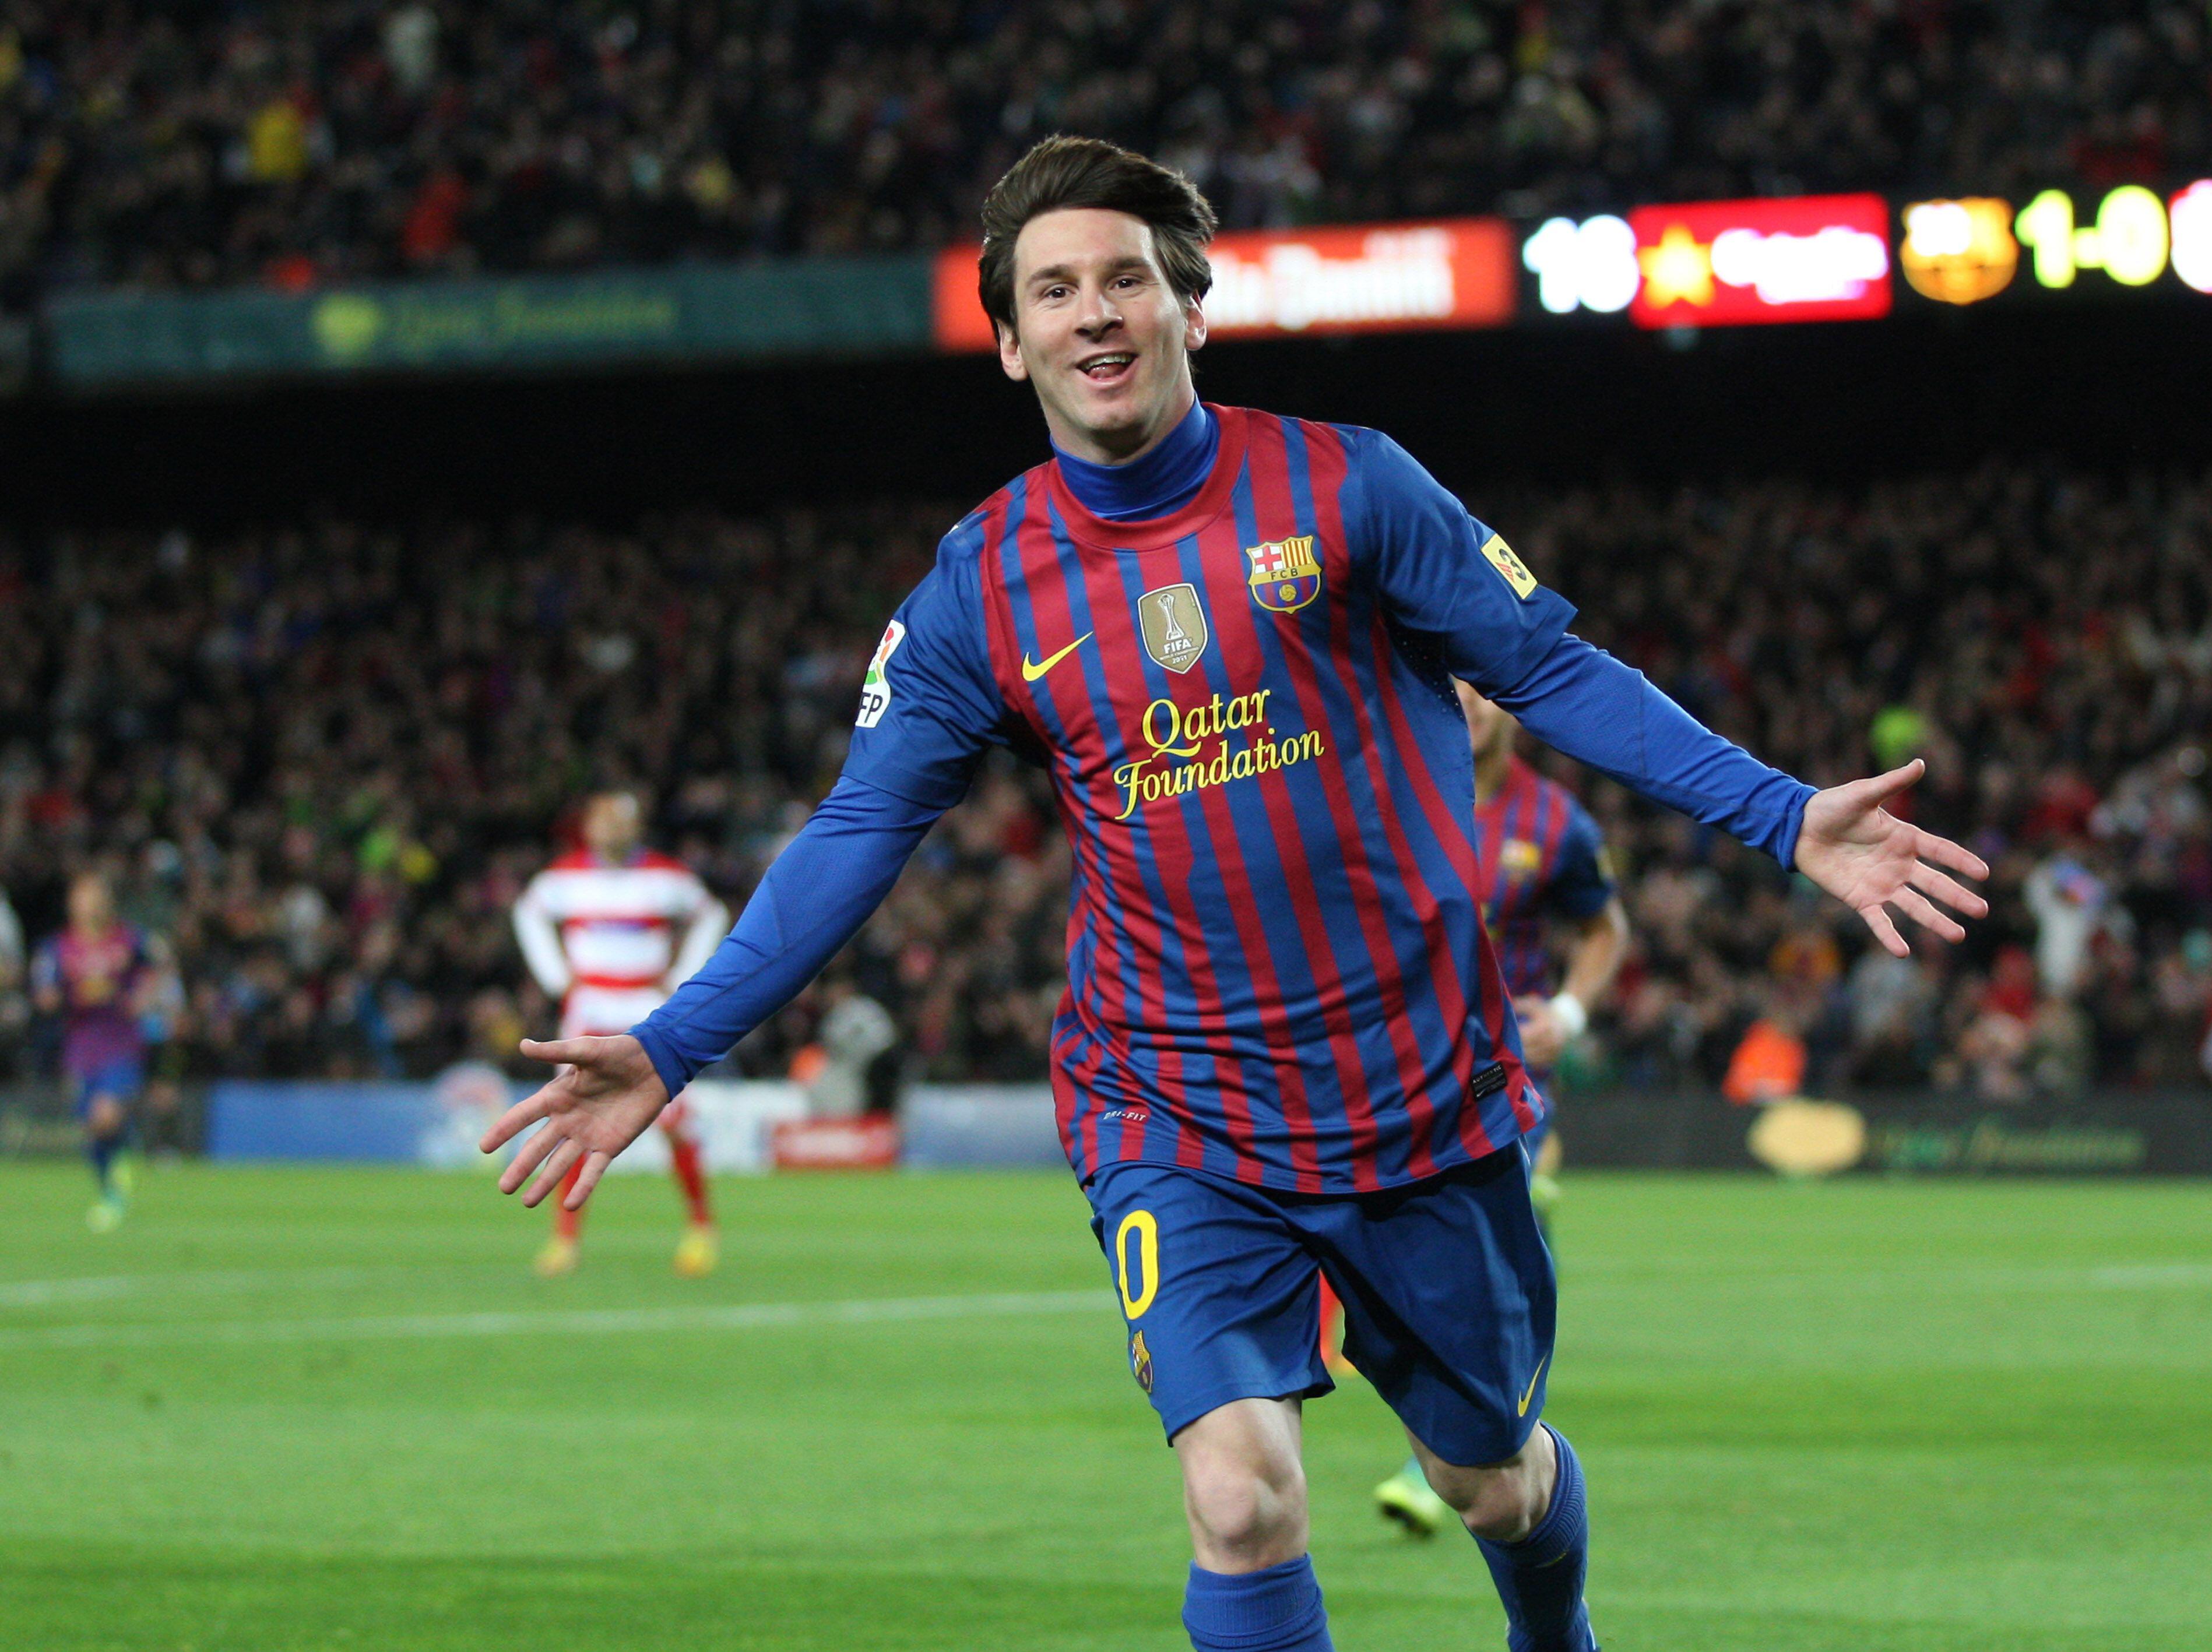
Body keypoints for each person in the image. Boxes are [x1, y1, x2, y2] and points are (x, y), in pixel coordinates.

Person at [480, 136, 1987, 1652]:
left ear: (1187, 302)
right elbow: (863, 824)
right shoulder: (980, 583)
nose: (1092, 314)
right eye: (1051, 290)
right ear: (1008, 341)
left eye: (1123, 278)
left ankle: (1555, 1633)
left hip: (1416, 1095)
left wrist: (1784, 813)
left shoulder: (1350, 483)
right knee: (1241, 1499)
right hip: (1174, 1102)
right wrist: (678, 1040)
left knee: (1489, 1478)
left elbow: (1543, 670)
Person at [1368, 682, 1627, 1539]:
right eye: (1450, 683)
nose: (1468, 700)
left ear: (1512, 705)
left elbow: (1604, 928)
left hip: (1494, 1074)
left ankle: (1459, 1440)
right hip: (1388, 1074)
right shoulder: (1383, 787)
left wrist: (1572, 1013)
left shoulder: (1555, 822)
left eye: (1483, 685)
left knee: (1505, 1202)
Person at [511, 791, 729, 1276]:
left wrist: (684, 977)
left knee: (673, 1121)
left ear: (636, 827)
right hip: (588, 1009)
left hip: (646, 1009)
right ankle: (564, 1240)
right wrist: (554, 975)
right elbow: (527, 913)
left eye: (618, 820)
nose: (609, 829)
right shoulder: (562, 879)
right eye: (601, 819)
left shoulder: (665, 877)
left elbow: (712, 915)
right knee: (572, 1117)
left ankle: (700, 1228)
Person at [30, 871, 178, 1232]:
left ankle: (122, 1155)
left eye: (96, 896)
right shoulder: (59, 947)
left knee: (104, 1115)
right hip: (81, 1046)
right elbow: (44, 994)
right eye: (83, 897)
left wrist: (143, 997)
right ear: (73, 904)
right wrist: (65, 996)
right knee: (92, 1128)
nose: (90, 904)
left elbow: (162, 964)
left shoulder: (129, 939)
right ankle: (112, 1185)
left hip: (121, 1041)